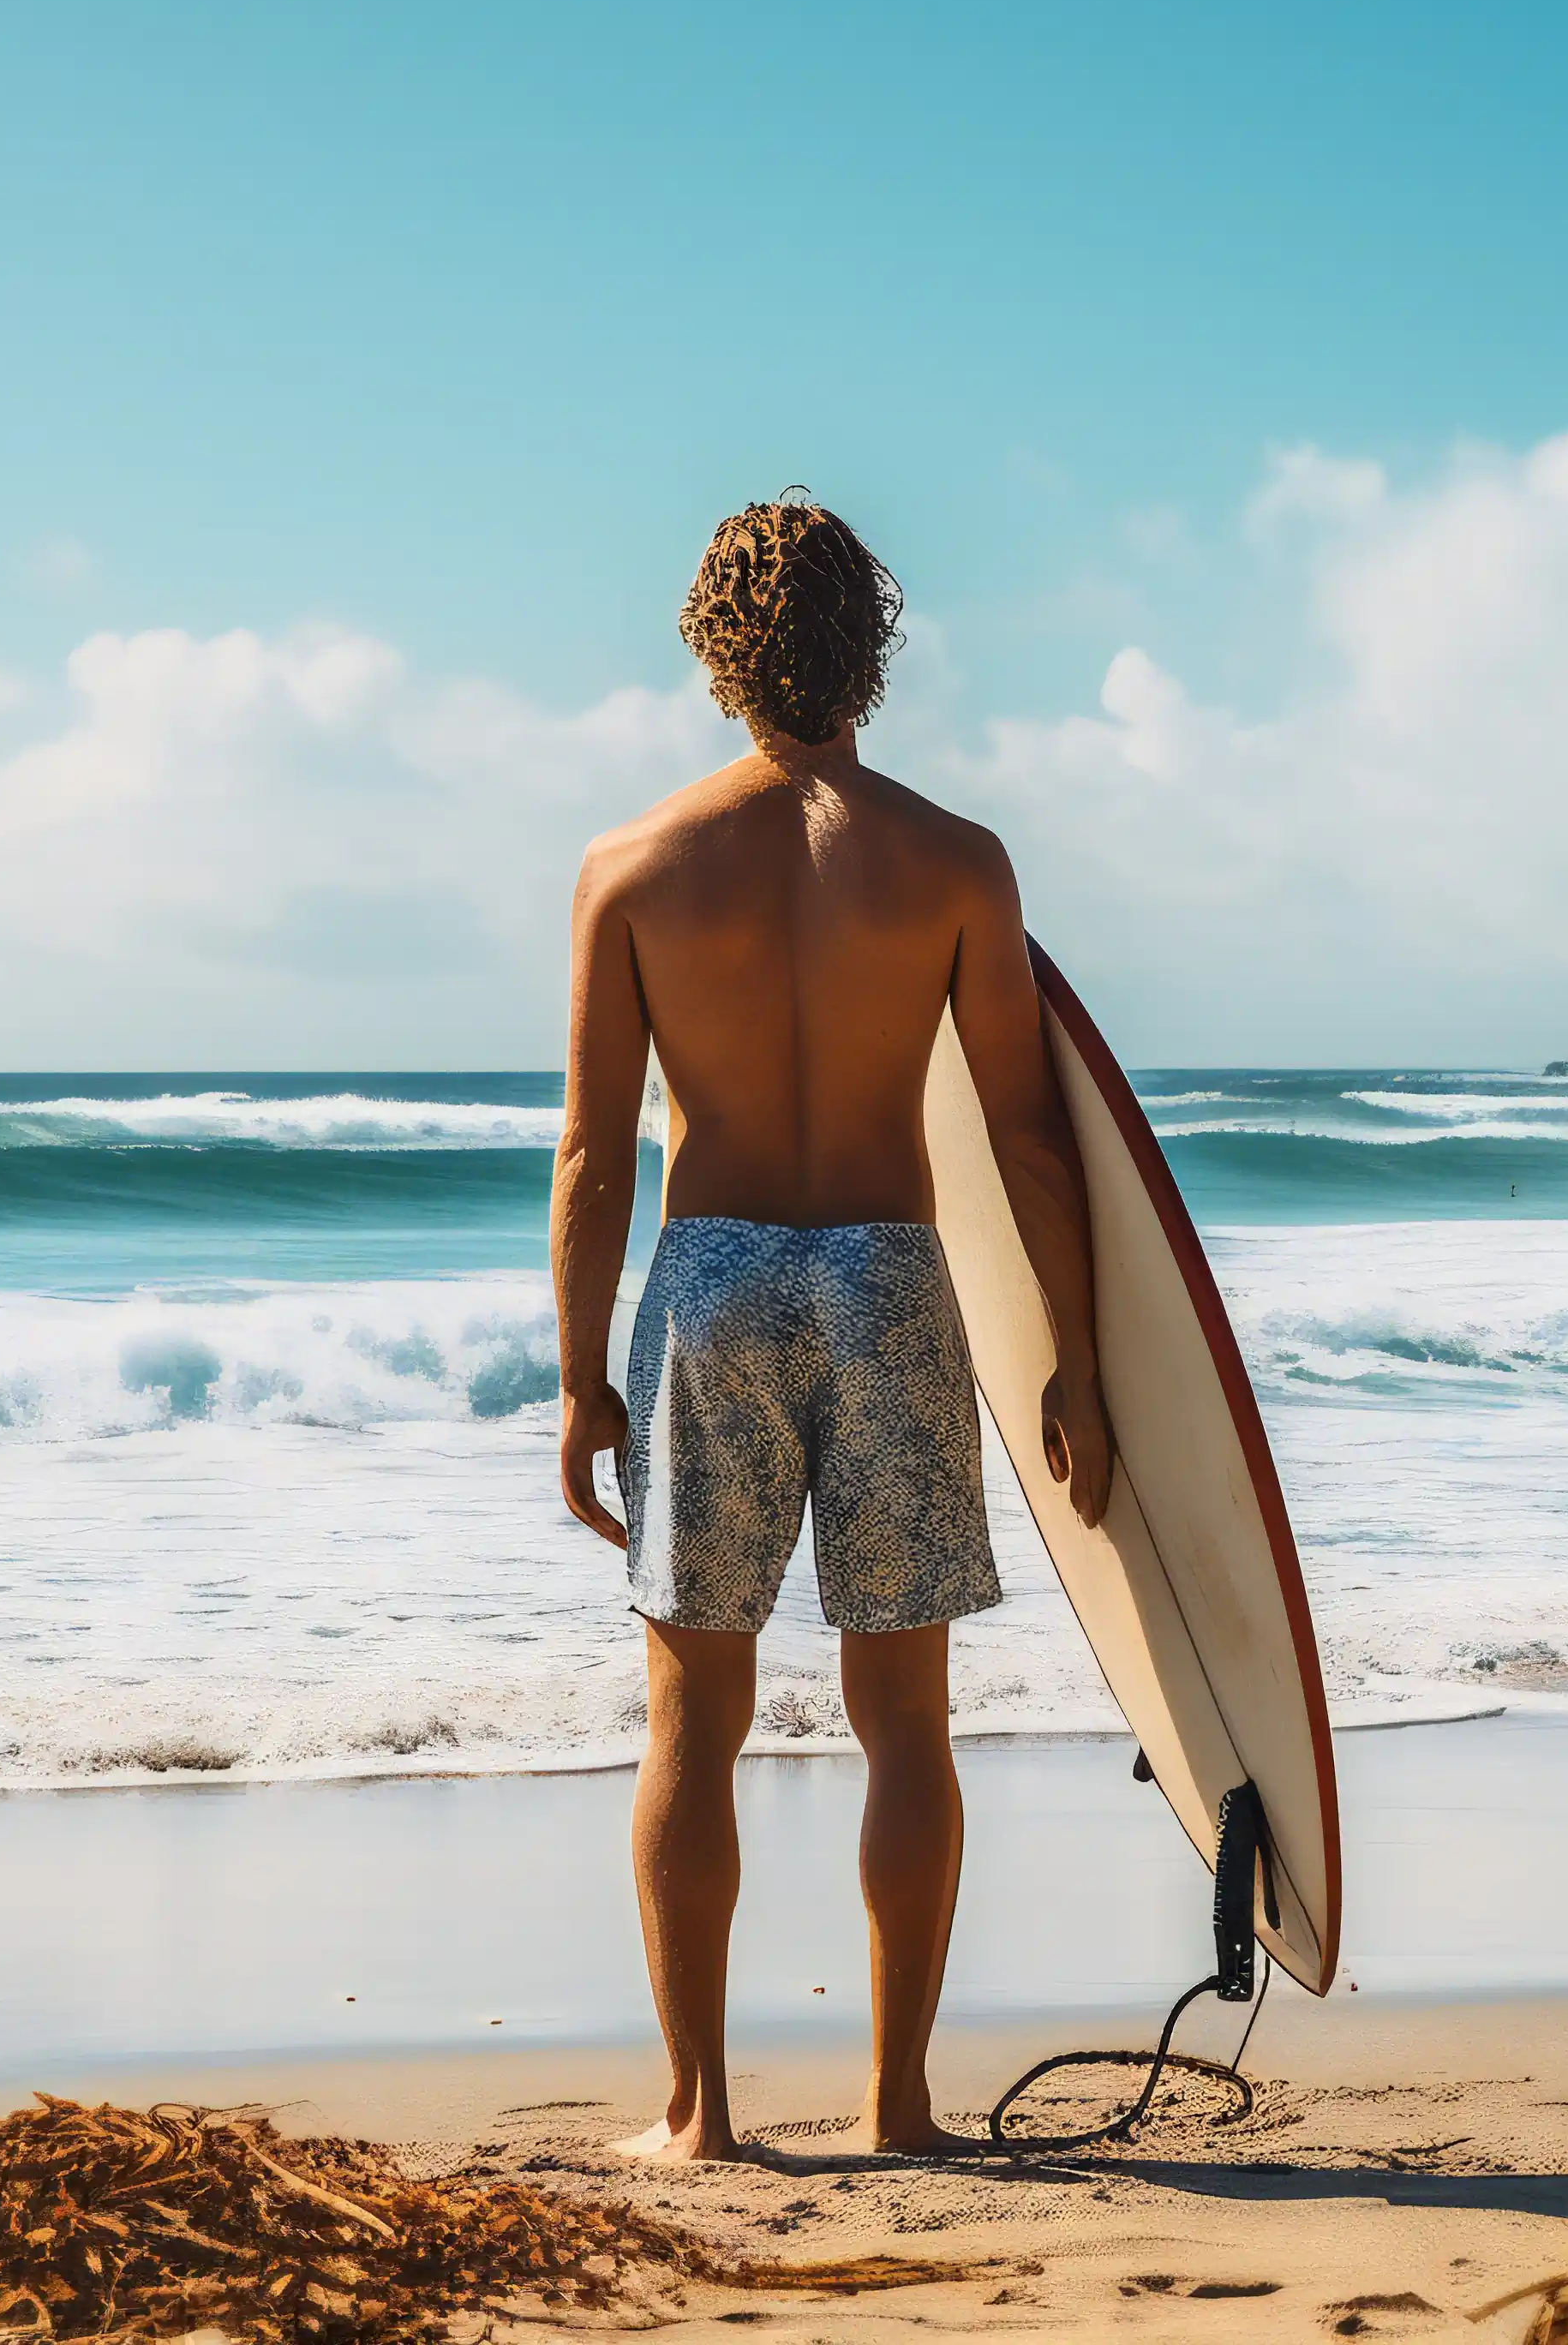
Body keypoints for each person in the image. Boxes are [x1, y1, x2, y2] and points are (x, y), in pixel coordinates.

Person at [548, 491, 1114, 2162]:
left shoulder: (630, 869)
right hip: (887, 1277)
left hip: (709, 1281)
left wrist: (583, 1377)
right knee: (906, 1725)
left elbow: (593, 1156)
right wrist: (1073, 1355)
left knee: (693, 1725)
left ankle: (699, 2115)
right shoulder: (953, 863)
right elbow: (1024, 1134)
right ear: (871, 643)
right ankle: (899, 2108)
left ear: (717, 653)